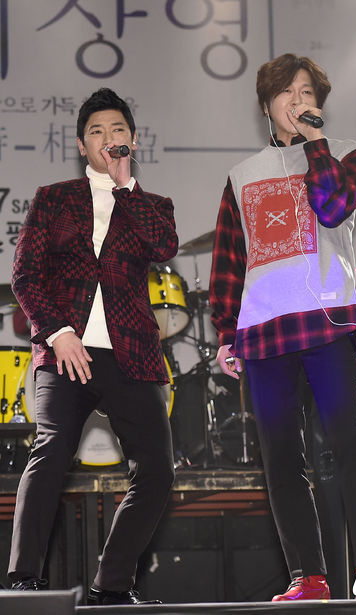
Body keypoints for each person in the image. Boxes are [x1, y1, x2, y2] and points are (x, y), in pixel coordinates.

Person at [209, 53, 356, 601]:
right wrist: (225, 331)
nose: (296, 100)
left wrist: (315, 144)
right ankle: (307, 577)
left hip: (328, 321)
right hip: (265, 331)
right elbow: (229, 258)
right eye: (285, 91)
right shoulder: (242, 176)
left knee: (349, 440)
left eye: (306, 91)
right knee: (281, 455)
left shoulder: (346, 154)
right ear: (266, 104)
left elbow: (331, 208)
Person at [8, 88, 179, 605]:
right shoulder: (53, 198)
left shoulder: (152, 205)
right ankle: (23, 580)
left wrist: (126, 188)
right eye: (96, 132)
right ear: (82, 145)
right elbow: (25, 275)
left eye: (117, 130)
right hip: (66, 351)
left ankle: (112, 585)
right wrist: (58, 332)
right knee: (51, 450)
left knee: (157, 472)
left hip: (131, 353)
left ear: (132, 140)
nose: (108, 138)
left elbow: (163, 246)